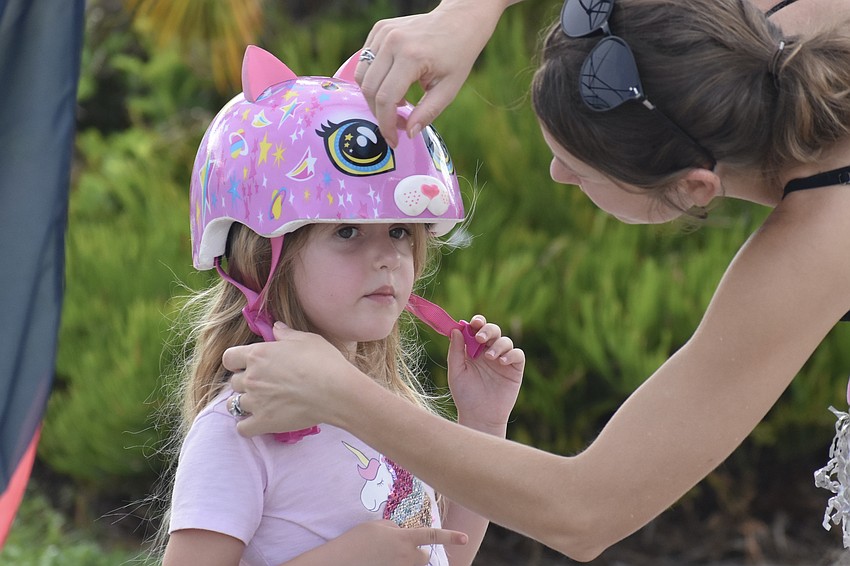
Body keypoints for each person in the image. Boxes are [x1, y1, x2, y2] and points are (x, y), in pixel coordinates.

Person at [221, 0, 850, 561]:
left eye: (578, 168)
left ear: (692, 190)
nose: (553, 173)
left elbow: (585, 513)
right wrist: (465, 13)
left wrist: (345, 398)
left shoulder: (826, 236)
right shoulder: (732, 36)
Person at [158, 45, 525, 566]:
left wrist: (482, 424)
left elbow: (446, 556)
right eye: (348, 231)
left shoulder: (384, 409)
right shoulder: (241, 428)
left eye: (400, 230)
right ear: (263, 257)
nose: (387, 258)